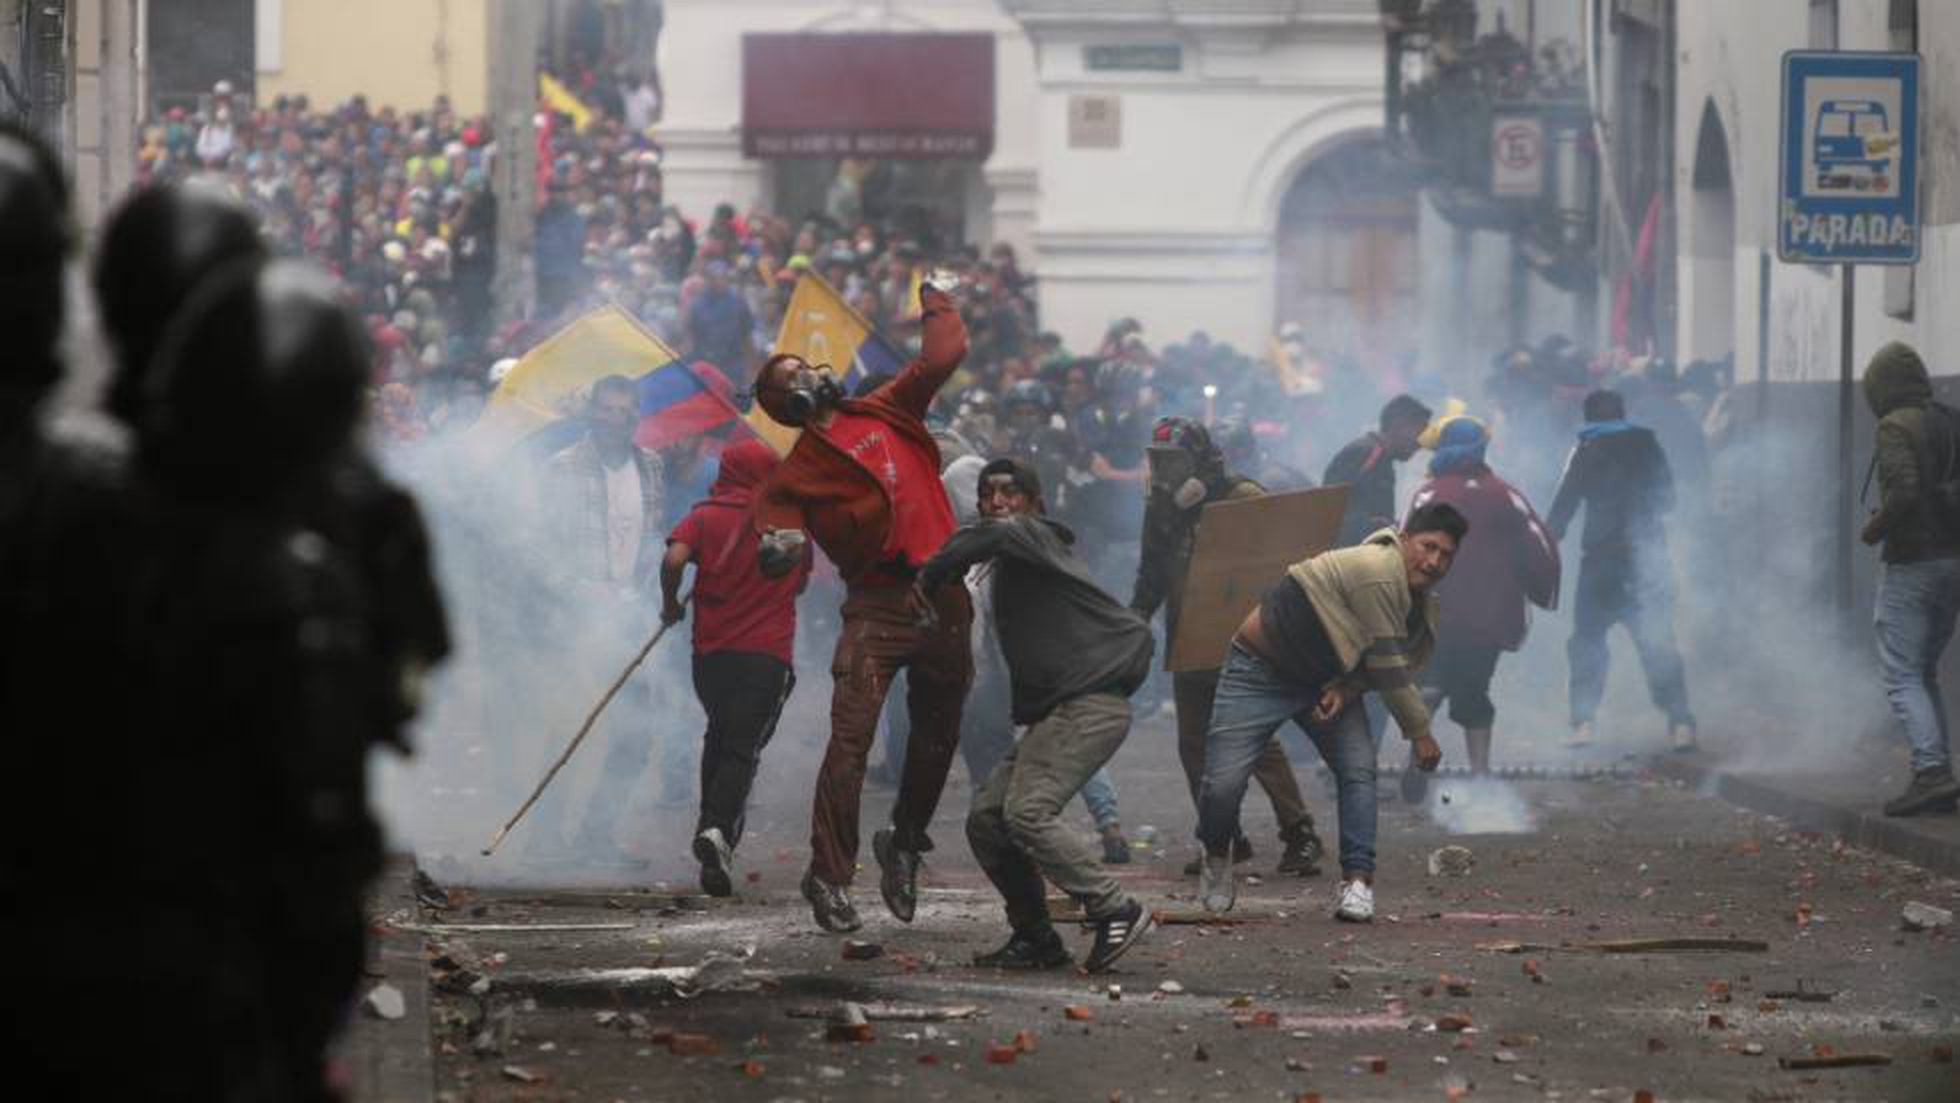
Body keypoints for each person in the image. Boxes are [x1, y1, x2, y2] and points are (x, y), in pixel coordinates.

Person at [752, 282, 974, 933]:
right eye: (793, 377)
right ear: (786, 405)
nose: (810, 376)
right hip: (877, 606)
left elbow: (942, 355)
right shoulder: (793, 474)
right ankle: (828, 875)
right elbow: (775, 535)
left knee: (938, 735)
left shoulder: (883, 408)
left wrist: (937, 295)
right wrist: (778, 547)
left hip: (945, 596)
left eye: (806, 365)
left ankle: (903, 842)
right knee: (850, 739)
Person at [920, 459, 1156, 973]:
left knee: (1027, 812)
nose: (999, 502)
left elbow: (994, 534)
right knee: (987, 820)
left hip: (1090, 705)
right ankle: (1036, 936)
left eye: (1012, 492)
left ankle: (1115, 906)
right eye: (988, 494)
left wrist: (928, 575)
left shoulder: (1031, 535)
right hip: (1061, 711)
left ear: (1035, 502)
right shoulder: (1014, 559)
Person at [1194, 504, 1466, 921]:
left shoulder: (1417, 602)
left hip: (1323, 683)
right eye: (1428, 547)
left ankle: (1358, 882)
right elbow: (1388, 665)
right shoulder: (1377, 568)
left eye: (1446, 556)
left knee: (1358, 772)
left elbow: (1372, 654)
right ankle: (1215, 854)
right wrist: (1420, 733)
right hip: (1257, 672)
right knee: (1223, 785)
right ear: (1404, 537)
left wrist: (1347, 686)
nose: (1434, 562)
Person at [1131, 416, 1327, 878]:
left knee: (1252, 738)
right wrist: (1136, 617)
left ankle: (1300, 832)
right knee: (1193, 744)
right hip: (1188, 636)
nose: (1165, 470)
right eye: (1158, 460)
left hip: (1243, 637)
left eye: (1174, 460)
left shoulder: (1241, 498)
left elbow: (1280, 562)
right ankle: (1222, 837)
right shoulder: (1160, 503)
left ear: (1199, 459)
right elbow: (1152, 568)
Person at [661, 439, 811, 894]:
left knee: (719, 733)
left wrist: (671, 603)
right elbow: (800, 583)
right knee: (742, 746)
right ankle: (718, 831)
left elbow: (674, 557)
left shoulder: (704, 514)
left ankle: (712, 829)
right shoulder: (785, 521)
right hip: (764, 655)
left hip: (710, 655)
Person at [535, 375, 670, 859]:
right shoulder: (562, 469)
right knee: (569, 727)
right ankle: (544, 839)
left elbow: (652, 540)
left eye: (627, 412)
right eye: (609, 410)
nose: (619, 420)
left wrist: (648, 597)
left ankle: (596, 834)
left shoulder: (651, 466)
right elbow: (542, 550)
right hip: (576, 619)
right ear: (592, 414)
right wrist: (581, 591)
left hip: (632, 618)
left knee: (637, 731)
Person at [1402, 416, 1560, 797]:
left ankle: (1417, 763)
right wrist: (1541, 590)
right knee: (1474, 692)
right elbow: (1541, 548)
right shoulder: (1506, 494)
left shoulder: (1429, 493)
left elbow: (1403, 546)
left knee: (1429, 686)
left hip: (1434, 614)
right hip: (1489, 618)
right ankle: (1481, 778)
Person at [1546, 389, 1696, 751]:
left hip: (1600, 561)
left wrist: (1544, 545)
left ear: (1590, 420)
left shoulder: (1584, 450)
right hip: (1647, 560)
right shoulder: (1649, 447)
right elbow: (1669, 500)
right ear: (1623, 413)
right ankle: (1681, 725)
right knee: (1658, 642)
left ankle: (1583, 723)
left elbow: (1561, 509)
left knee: (1587, 643)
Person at [1859, 342, 1960, 816]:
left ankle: (1931, 771)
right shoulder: (1949, 419)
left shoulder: (1895, 425)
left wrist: (1873, 529)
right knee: (1923, 670)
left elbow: (1903, 489)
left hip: (1913, 561)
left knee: (1901, 672)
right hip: (1953, 560)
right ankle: (1938, 772)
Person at [1324, 394, 1434, 548]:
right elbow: (1331, 511)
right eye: (1419, 432)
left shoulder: (1382, 460)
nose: (1420, 443)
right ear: (1398, 425)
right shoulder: (1365, 454)